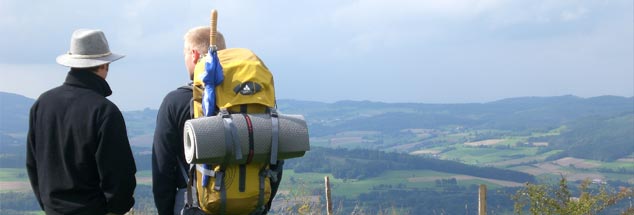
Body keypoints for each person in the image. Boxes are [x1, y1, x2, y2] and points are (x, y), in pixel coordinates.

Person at [26, 29, 137, 215]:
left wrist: (48, 205)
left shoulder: (42, 104)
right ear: (104, 65)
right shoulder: (104, 111)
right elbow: (120, 174)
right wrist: (116, 209)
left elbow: (33, 164)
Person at [151, 26, 226, 215]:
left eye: (185, 54)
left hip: (194, 204)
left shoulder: (175, 102)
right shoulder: (245, 100)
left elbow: (162, 169)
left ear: (193, 55)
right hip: (244, 203)